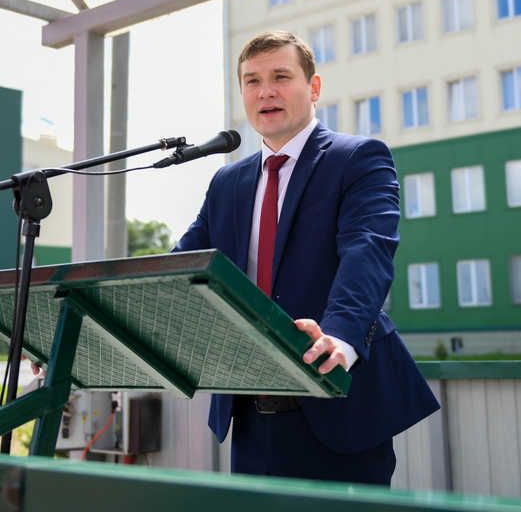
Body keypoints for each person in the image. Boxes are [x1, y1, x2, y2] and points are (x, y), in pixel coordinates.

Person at [174, 30, 439, 485]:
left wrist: (340, 336)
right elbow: (180, 267)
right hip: (250, 414)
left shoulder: (358, 159)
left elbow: (367, 250)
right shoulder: (227, 183)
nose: (266, 92)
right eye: (252, 81)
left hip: (339, 406)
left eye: (281, 76)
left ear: (313, 88)